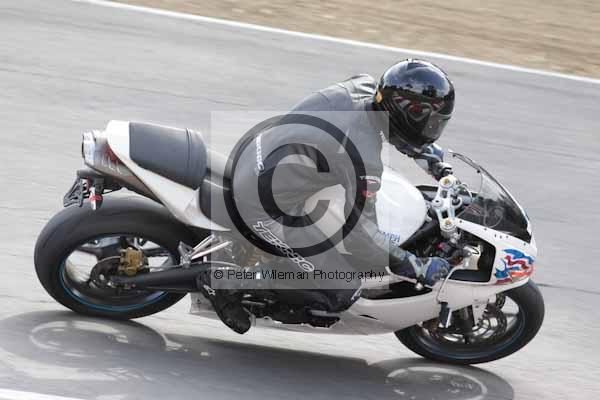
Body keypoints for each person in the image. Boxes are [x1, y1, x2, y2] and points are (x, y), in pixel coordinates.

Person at [199, 59, 455, 334]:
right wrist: (415, 266)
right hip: (262, 205)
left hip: (258, 152)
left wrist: (429, 157)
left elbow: (390, 125)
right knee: (342, 287)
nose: (432, 130)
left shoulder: (364, 85)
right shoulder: (362, 157)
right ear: (407, 114)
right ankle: (224, 282)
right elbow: (360, 237)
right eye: (430, 124)